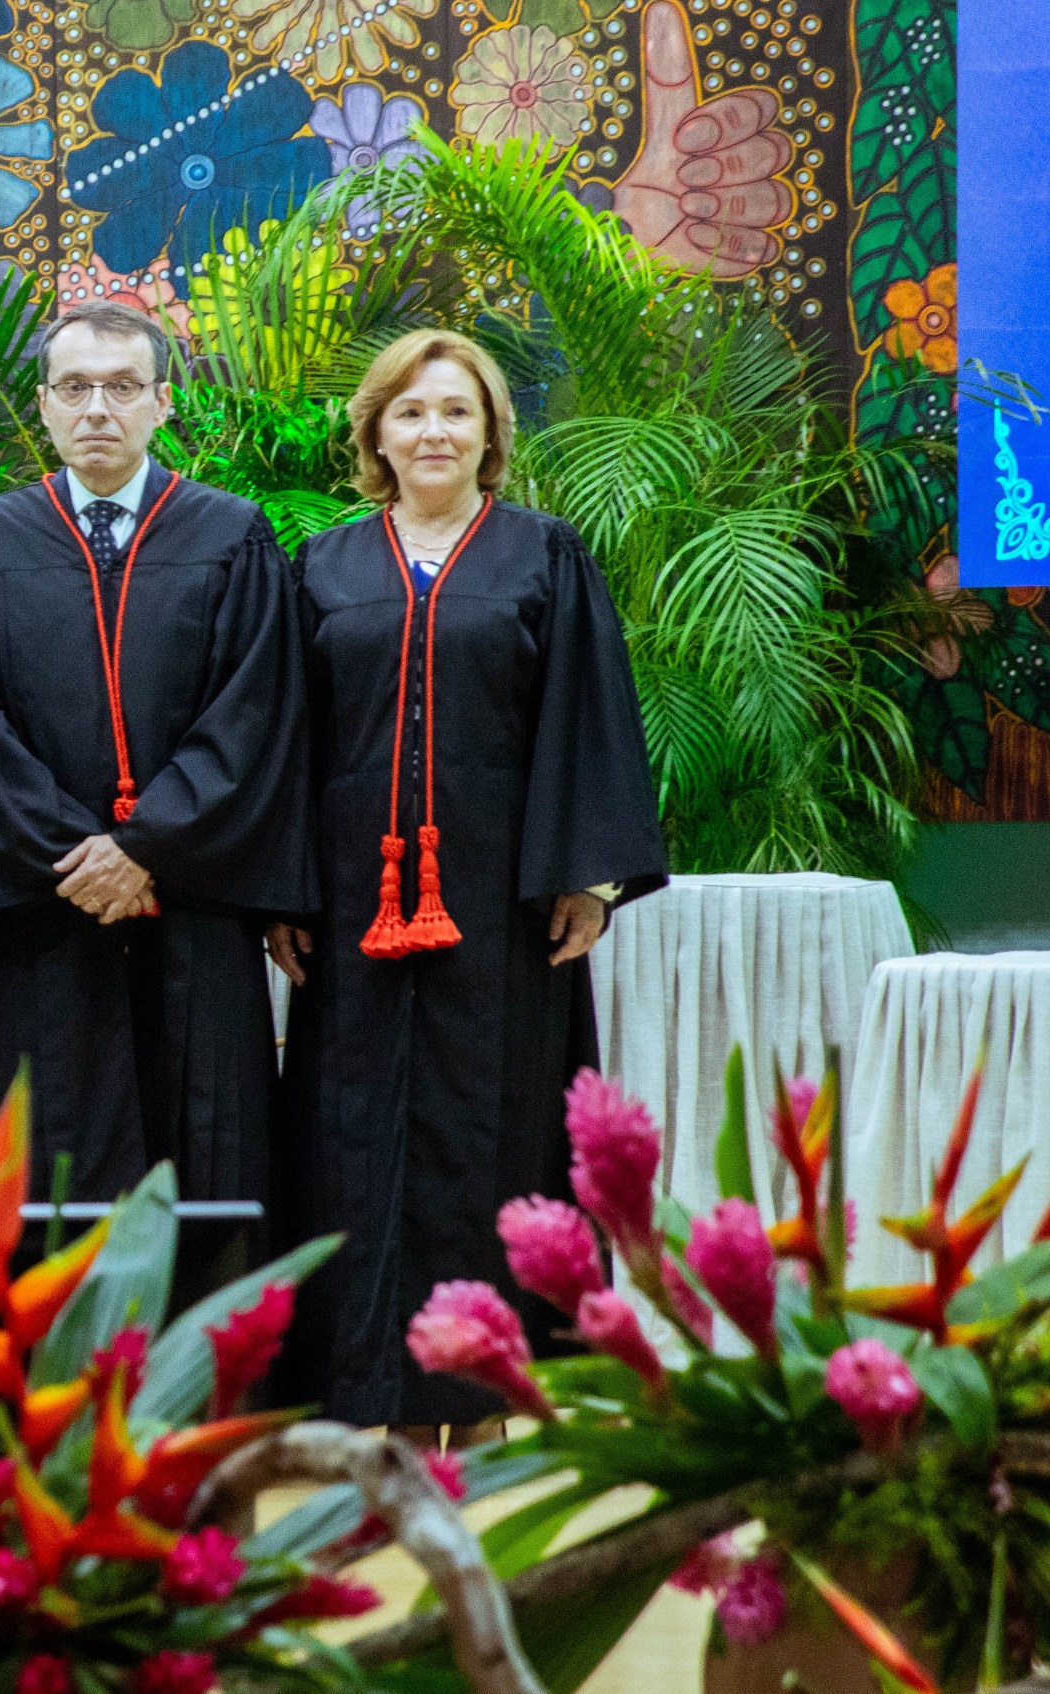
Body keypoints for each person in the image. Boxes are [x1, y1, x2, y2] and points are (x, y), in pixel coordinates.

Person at [269, 330, 669, 1437]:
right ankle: (373, 1397)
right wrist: (287, 895)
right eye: (408, 412)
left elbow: (587, 717)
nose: (432, 430)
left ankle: (494, 1394)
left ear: (491, 432)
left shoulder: (544, 555)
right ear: (374, 435)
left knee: (500, 1131)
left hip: (503, 912)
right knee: (353, 1140)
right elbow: (284, 741)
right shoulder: (325, 567)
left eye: (455, 410)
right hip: (353, 908)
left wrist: (585, 874)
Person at [0, 302, 314, 1203]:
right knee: (38, 1176)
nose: (98, 408)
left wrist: (145, 848)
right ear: (45, 406)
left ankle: (213, 1349)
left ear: (162, 403)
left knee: (204, 1162)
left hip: (191, 910)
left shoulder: (231, 534)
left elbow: (253, 714)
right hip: (40, 908)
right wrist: (76, 855)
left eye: (122, 387)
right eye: (76, 388)